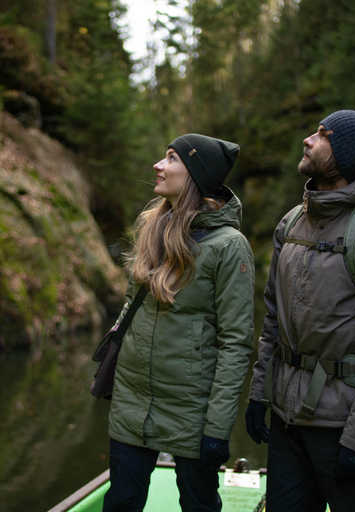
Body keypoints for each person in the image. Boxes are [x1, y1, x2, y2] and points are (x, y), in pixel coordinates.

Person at [245, 110, 355, 511]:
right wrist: (259, 394)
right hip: (286, 422)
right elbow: (272, 319)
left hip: (343, 427)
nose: (308, 140)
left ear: (349, 155)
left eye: (323, 135)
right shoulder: (292, 221)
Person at [103, 134, 255, 512]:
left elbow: (236, 342)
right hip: (131, 402)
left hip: (193, 409)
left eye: (171, 158)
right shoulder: (152, 228)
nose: (158, 164)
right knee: (121, 500)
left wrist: (218, 428)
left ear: (195, 176)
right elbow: (129, 304)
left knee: (198, 504)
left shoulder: (229, 245)